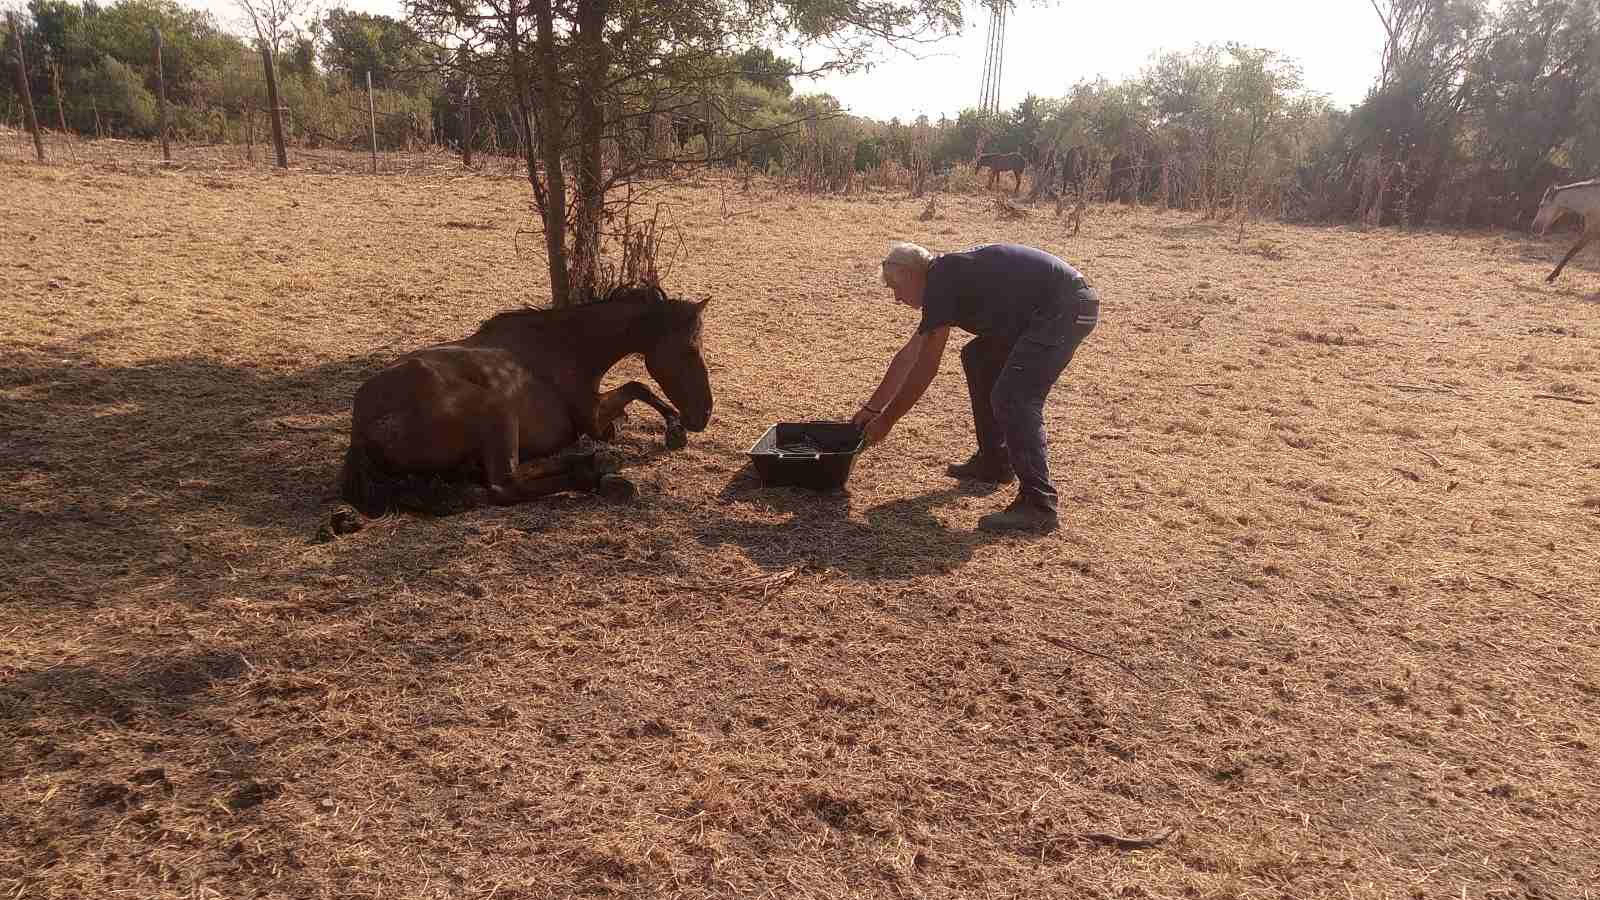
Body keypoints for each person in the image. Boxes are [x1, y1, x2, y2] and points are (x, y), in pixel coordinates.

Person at [852, 241, 1100, 533]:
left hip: (1065, 308)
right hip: (1049, 308)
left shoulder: (941, 279)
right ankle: (994, 462)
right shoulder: (945, 276)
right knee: (979, 357)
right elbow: (910, 355)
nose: (896, 298)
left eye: (895, 287)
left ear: (910, 273)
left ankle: (1039, 505)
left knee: (1014, 397)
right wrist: (873, 409)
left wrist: (887, 421)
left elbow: (926, 368)